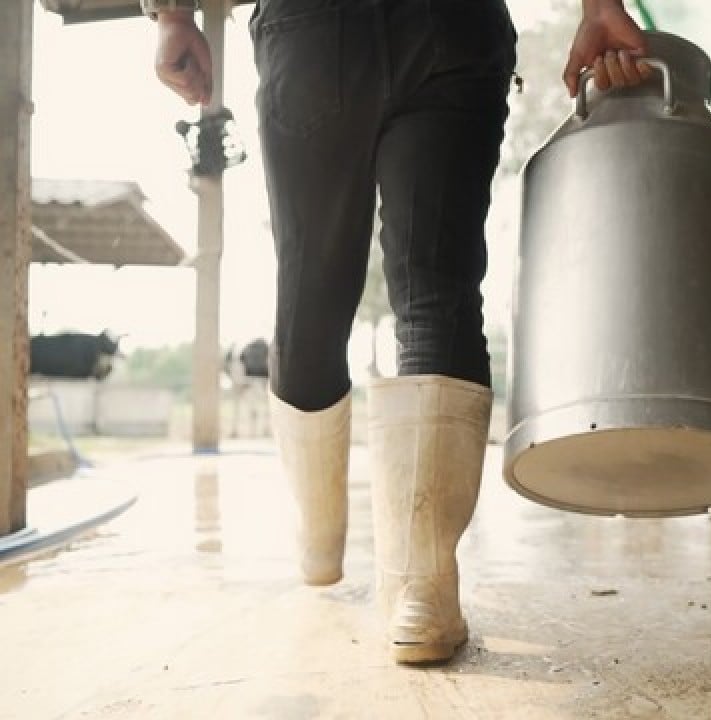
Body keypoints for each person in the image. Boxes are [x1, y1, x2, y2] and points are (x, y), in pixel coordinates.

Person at [147, 0, 652, 664]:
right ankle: (423, 589)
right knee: (436, 289)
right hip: (453, 28)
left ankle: (321, 543)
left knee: (311, 287)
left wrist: (171, 15)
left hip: (312, 29)